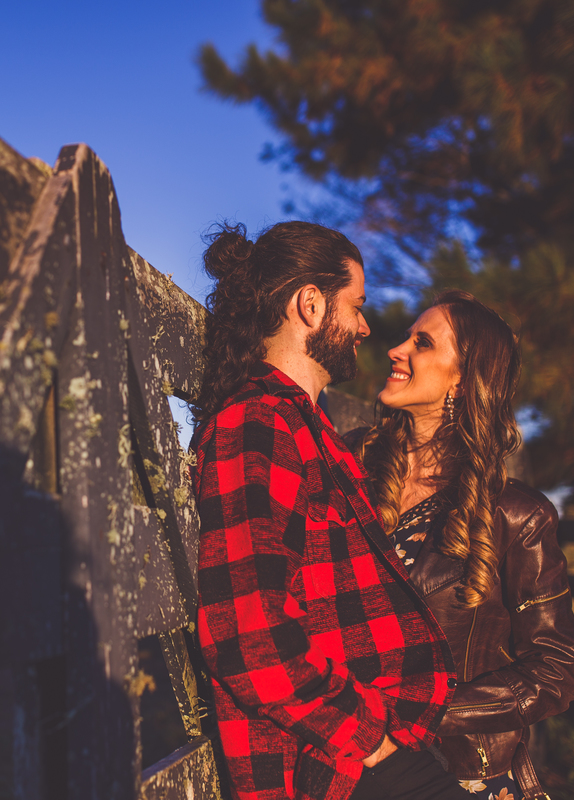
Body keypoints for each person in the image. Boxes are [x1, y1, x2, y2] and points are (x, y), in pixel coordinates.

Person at [190, 221, 468, 800]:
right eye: (356, 306)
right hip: (332, 767)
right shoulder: (258, 424)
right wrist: (376, 745)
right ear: (311, 305)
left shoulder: (310, 431)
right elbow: (249, 635)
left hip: (367, 747)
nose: (365, 327)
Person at [351, 290, 574, 799]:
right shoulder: (350, 465)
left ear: (462, 378)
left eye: (423, 343)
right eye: (406, 337)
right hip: (341, 757)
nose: (395, 350)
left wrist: (426, 709)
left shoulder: (517, 515)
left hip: (459, 771)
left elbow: (556, 668)